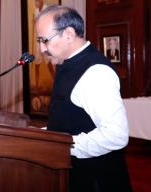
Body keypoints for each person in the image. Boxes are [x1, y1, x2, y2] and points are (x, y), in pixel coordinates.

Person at [35, 5, 132, 192]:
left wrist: (59, 146)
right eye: (40, 41)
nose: (41, 49)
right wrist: (41, 135)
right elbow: (72, 120)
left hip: (96, 180)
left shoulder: (96, 73)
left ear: (69, 34)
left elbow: (116, 136)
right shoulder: (68, 64)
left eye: (45, 40)